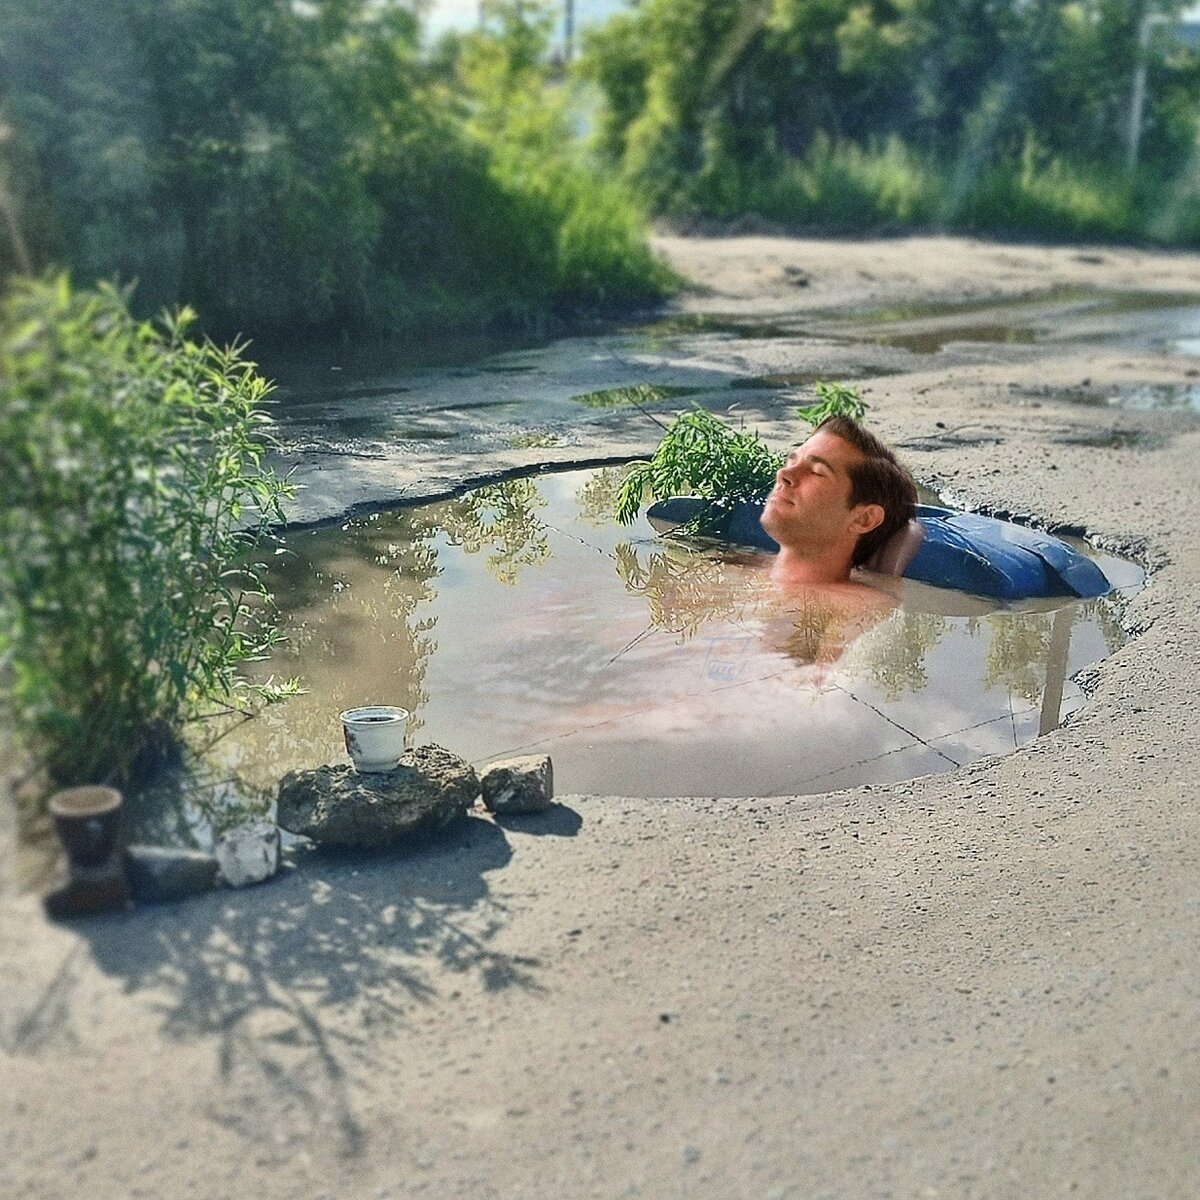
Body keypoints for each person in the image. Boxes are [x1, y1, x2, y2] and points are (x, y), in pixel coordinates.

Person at [759, 415, 918, 597]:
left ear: (863, 519)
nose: (783, 473)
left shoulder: (853, 608)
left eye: (817, 472)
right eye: (792, 461)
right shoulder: (736, 565)